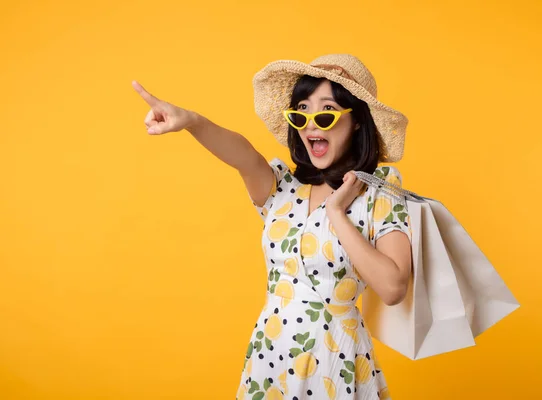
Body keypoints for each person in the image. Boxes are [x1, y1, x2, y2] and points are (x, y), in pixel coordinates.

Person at [132, 54, 413, 399]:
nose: (311, 125)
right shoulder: (282, 188)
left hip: (334, 358)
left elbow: (393, 287)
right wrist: (191, 121)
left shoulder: (379, 190)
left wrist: (338, 213)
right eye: (301, 112)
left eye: (325, 113)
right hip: (271, 356)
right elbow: (244, 155)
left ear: (356, 121)